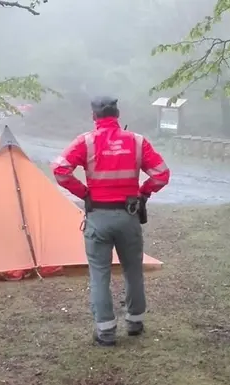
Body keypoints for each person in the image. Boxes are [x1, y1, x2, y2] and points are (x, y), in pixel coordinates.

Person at [51, 96, 171, 347]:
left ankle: (105, 331)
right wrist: (144, 192)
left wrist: (84, 193)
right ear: (117, 115)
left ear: (95, 117)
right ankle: (135, 322)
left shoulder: (85, 142)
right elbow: (161, 174)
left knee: (99, 274)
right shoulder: (137, 142)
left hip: (98, 218)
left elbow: (60, 170)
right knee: (133, 270)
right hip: (128, 217)